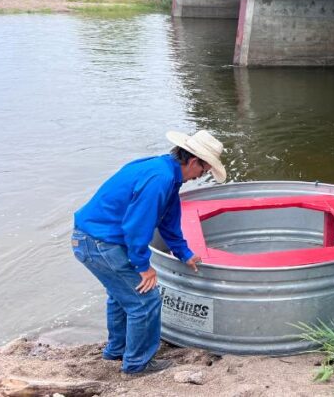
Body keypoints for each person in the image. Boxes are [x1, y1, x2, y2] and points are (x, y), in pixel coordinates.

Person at [71, 130, 226, 375]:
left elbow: (168, 220)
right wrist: (143, 266)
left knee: (121, 296)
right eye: (204, 170)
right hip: (99, 243)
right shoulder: (160, 179)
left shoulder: (164, 171)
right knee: (145, 301)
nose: (200, 176)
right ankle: (137, 365)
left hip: (93, 238)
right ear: (194, 161)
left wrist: (184, 253)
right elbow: (137, 226)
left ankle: (117, 351)